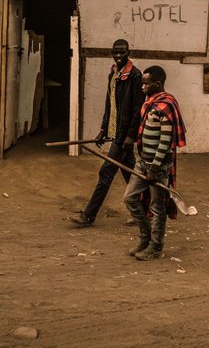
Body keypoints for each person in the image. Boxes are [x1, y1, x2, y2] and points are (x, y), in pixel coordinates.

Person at [69, 39, 145, 226]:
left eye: (122, 52)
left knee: (106, 174)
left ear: (129, 52)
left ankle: (88, 216)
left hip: (123, 136)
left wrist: (130, 136)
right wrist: (103, 129)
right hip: (116, 132)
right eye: (115, 52)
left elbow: (138, 110)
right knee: (131, 175)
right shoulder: (114, 73)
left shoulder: (135, 76)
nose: (118, 56)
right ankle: (142, 213)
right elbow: (110, 104)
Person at [124, 65, 186, 261]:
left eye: (146, 84)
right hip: (142, 162)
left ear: (157, 84)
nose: (142, 87)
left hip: (158, 166)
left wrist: (155, 167)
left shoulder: (165, 105)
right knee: (130, 198)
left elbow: (166, 141)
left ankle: (156, 248)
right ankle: (145, 238)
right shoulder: (149, 102)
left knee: (157, 208)